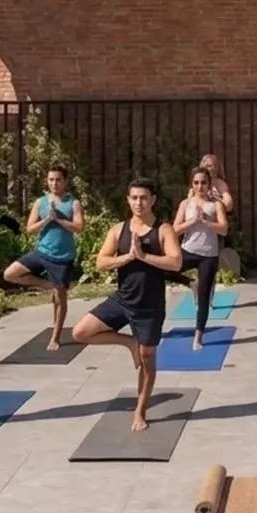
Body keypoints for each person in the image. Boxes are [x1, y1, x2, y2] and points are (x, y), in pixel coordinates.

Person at [72, 178, 183, 432]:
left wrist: (144, 256)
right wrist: (128, 257)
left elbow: (175, 262)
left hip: (150, 305)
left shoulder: (163, 229)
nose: (138, 203)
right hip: (122, 299)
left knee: (147, 358)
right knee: (81, 332)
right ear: (128, 199)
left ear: (153, 199)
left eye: (143, 198)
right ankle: (128, 342)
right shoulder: (118, 229)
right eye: (134, 198)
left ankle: (140, 410)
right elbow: (101, 262)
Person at [2, 164, 85, 350]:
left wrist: (60, 219)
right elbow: (29, 229)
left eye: (58, 179)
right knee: (10, 274)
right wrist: (47, 219)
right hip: (41, 252)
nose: (54, 183)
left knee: (60, 299)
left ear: (65, 181)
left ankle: (55, 337)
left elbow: (80, 227)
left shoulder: (73, 203)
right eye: (51, 180)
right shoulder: (41, 202)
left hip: (62, 257)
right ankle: (50, 285)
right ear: (47, 181)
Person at [173, 167, 230, 350]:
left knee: (204, 298)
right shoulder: (185, 204)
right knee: (162, 270)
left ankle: (198, 337)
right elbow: (175, 229)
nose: (200, 186)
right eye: (196, 182)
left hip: (208, 255)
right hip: (188, 250)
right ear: (192, 184)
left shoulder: (216, 204)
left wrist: (206, 221)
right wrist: (193, 221)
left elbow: (224, 229)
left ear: (209, 184)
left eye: (203, 182)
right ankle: (190, 283)